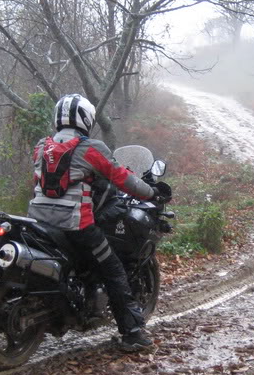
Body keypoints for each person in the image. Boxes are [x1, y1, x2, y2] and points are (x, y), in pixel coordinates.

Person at [28, 93, 158, 352]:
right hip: (77, 226)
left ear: (57, 118)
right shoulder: (91, 148)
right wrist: (151, 192)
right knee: (114, 270)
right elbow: (122, 179)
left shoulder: (41, 146)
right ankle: (133, 335)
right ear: (86, 119)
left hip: (38, 221)